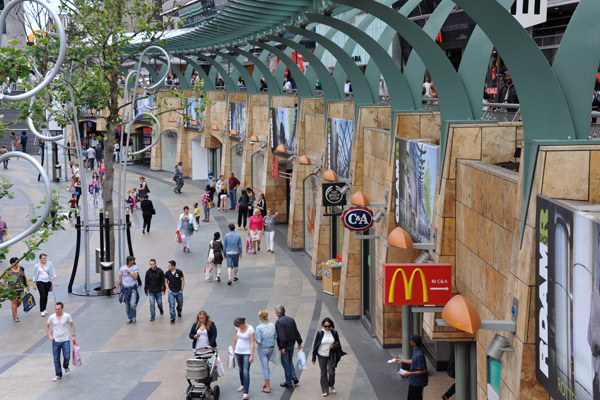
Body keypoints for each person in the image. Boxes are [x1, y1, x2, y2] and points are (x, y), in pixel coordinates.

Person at [45, 302, 76, 382]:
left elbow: (72, 325)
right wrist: (50, 336)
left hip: (65, 339)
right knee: (56, 358)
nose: (57, 311)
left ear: (62, 309)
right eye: (56, 309)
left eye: (58, 309)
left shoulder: (67, 316)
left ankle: (66, 366)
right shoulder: (52, 317)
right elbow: (47, 326)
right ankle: (58, 374)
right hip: (56, 340)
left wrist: (73, 335)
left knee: (67, 356)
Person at [312, 318, 342, 397]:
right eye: (325, 326)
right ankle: (325, 390)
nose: (327, 328)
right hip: (321, 355)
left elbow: (338, 343)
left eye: (329, 326)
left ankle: (331, 385)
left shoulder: (334, 333)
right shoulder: (319, 333)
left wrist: (334, 346)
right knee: (323, 372)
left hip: (331, 355)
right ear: (323, 325)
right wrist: (314, 357)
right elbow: (315, 345)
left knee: (331, 372)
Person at [274, 305, 302, 388]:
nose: (275, 313)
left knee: (285, 363)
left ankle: (288, 382)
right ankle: (293, 376)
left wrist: (282, 347)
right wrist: (299, 342)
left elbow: (281, 336)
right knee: (290, 360)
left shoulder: (279, 322)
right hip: (292, 344)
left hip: (285, 346)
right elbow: (296, 331)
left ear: (279, 313)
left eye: (275, 311)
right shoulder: (291, 319)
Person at [395, 334, 428, 400]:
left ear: (414, 343)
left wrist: (409, 373)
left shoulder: (419, 354)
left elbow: (423, 370)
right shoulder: (417, 350)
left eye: (411, 340)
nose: (410, 341)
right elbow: (414, 361)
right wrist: (401, 361)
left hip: (417, 383)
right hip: (413, 381)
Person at [232, 317, 255, 399]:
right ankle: (242, 384)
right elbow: (235, 337)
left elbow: (252, 342)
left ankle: (246, 392)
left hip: (247, 352)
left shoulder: (250, 329)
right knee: (241, 369)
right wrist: (233, 348)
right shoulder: (237, 328)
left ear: (242, 324)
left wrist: (251, 355)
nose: (238, 327)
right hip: (238, 351)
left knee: (246, 372)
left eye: (239, 326)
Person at [256, 309, 277, 394]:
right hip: (271, 348)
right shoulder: (272, 325)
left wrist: (255, 340)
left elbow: (259, 340)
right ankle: (266, 382)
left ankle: (267, 387)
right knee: (266, 365)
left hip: (263, 349)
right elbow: (275, 336)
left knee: (264, 367)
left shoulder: (259, 327)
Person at [115, 255, 140, 324]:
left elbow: (135, 277)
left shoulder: (135, 267)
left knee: (133, 304)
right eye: (133, 260)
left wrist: (129, 273)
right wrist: (116, 288)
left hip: (133, 288)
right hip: (125, 289)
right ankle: (129, 318)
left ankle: (134, 316)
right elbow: (119, 278)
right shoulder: (122, 268)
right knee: (127, 305)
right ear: (129, 261)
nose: (134, 262)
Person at [4, 257, 30, 322]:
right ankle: (16, 317)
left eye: (18, 262)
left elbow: (25, 277)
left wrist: (28, 285)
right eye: (16, 262)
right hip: (12, 289)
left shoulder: (21, 269)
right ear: (12, 263)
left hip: (20, 288)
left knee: (19, 301)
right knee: (14, 302)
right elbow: (4, 281)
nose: (17, 263)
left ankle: (13, 310)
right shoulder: (8, 271)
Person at [165, 260, 184, 325]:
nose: (168, 267)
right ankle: (172, 318)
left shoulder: (179, 272)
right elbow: (166, 282)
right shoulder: (167, 273)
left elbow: (182, 281)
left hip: (178, 291)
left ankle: (179, 311)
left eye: (169, 266)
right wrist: (168, 290)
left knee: (180, 303)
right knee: (171, 305)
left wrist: (181, 289)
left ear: (173, 266)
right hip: (171, 292)